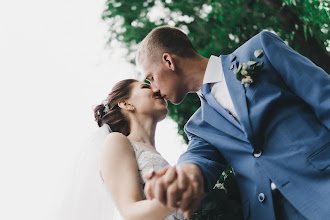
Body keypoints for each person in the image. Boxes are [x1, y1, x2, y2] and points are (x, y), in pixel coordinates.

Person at [136, 26, 330, 220]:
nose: (155, 89)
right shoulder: (198, 127)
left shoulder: (260, 49)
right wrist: (181, 178)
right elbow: (197, 161)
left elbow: (324, 98)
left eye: (151, 78)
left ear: (168, 61)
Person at [56, 79, 185, 220]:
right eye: (145, 86)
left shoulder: (157, 154)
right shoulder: (117, 141)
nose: (156, 89)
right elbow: (130, 211)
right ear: (126, 104)